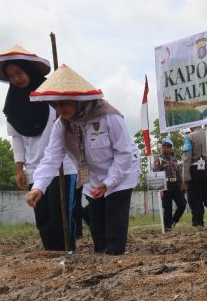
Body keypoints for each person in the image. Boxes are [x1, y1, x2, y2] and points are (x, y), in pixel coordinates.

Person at [25, 64, 139, 255]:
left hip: (120, 176)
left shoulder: (109, 117)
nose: (60, 110)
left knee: (114, 227)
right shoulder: (61, 126)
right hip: (92, 180)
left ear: (78, 99)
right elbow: (51, 157)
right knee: (98, 230)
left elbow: (124, 153)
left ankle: (114, 259)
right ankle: (101, 261)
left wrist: (110, 182)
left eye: (64, 103)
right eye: (55, 105)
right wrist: (39, 186)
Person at [0, 45, 82, 250]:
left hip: (62, 165)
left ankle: (68, 251)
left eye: (19, 73)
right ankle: (51, 252)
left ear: (29, 71)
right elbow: (17, 139)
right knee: (43, 215)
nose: (16, 79)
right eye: (11, 76)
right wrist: (19, 168)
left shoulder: (53, 99)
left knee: (61, 214)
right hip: (35, 168)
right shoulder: (12, 106)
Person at [153, 137, 186, 230]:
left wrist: (182, 184)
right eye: (168, 147)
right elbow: (156, 173)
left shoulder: (173, 158)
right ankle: (167, 228)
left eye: (170, 147)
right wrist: (160, 189)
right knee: (167, 208)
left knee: (182, 204)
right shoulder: (158, 159)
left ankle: (173, 221)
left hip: (175, 184)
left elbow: (178, 172)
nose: (170, 149)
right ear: (163, 147)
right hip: (165, 186)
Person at [182, 125, 207, 226]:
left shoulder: (190, 136)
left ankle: (198, 223)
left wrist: (185, 177)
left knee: (195, 198)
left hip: (194, 169)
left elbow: (186, 158)